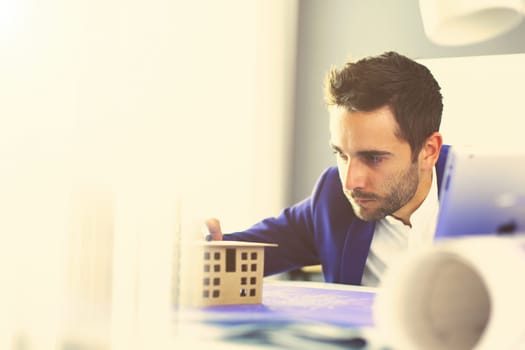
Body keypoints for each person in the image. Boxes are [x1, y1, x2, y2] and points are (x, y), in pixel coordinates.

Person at [206, 51, 448, 287]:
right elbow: (240, 253)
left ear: (428, 151)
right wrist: (195, 248)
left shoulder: (480, 195)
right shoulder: (332, 197)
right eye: (341, 154)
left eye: (374, 158)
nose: (351, 182)